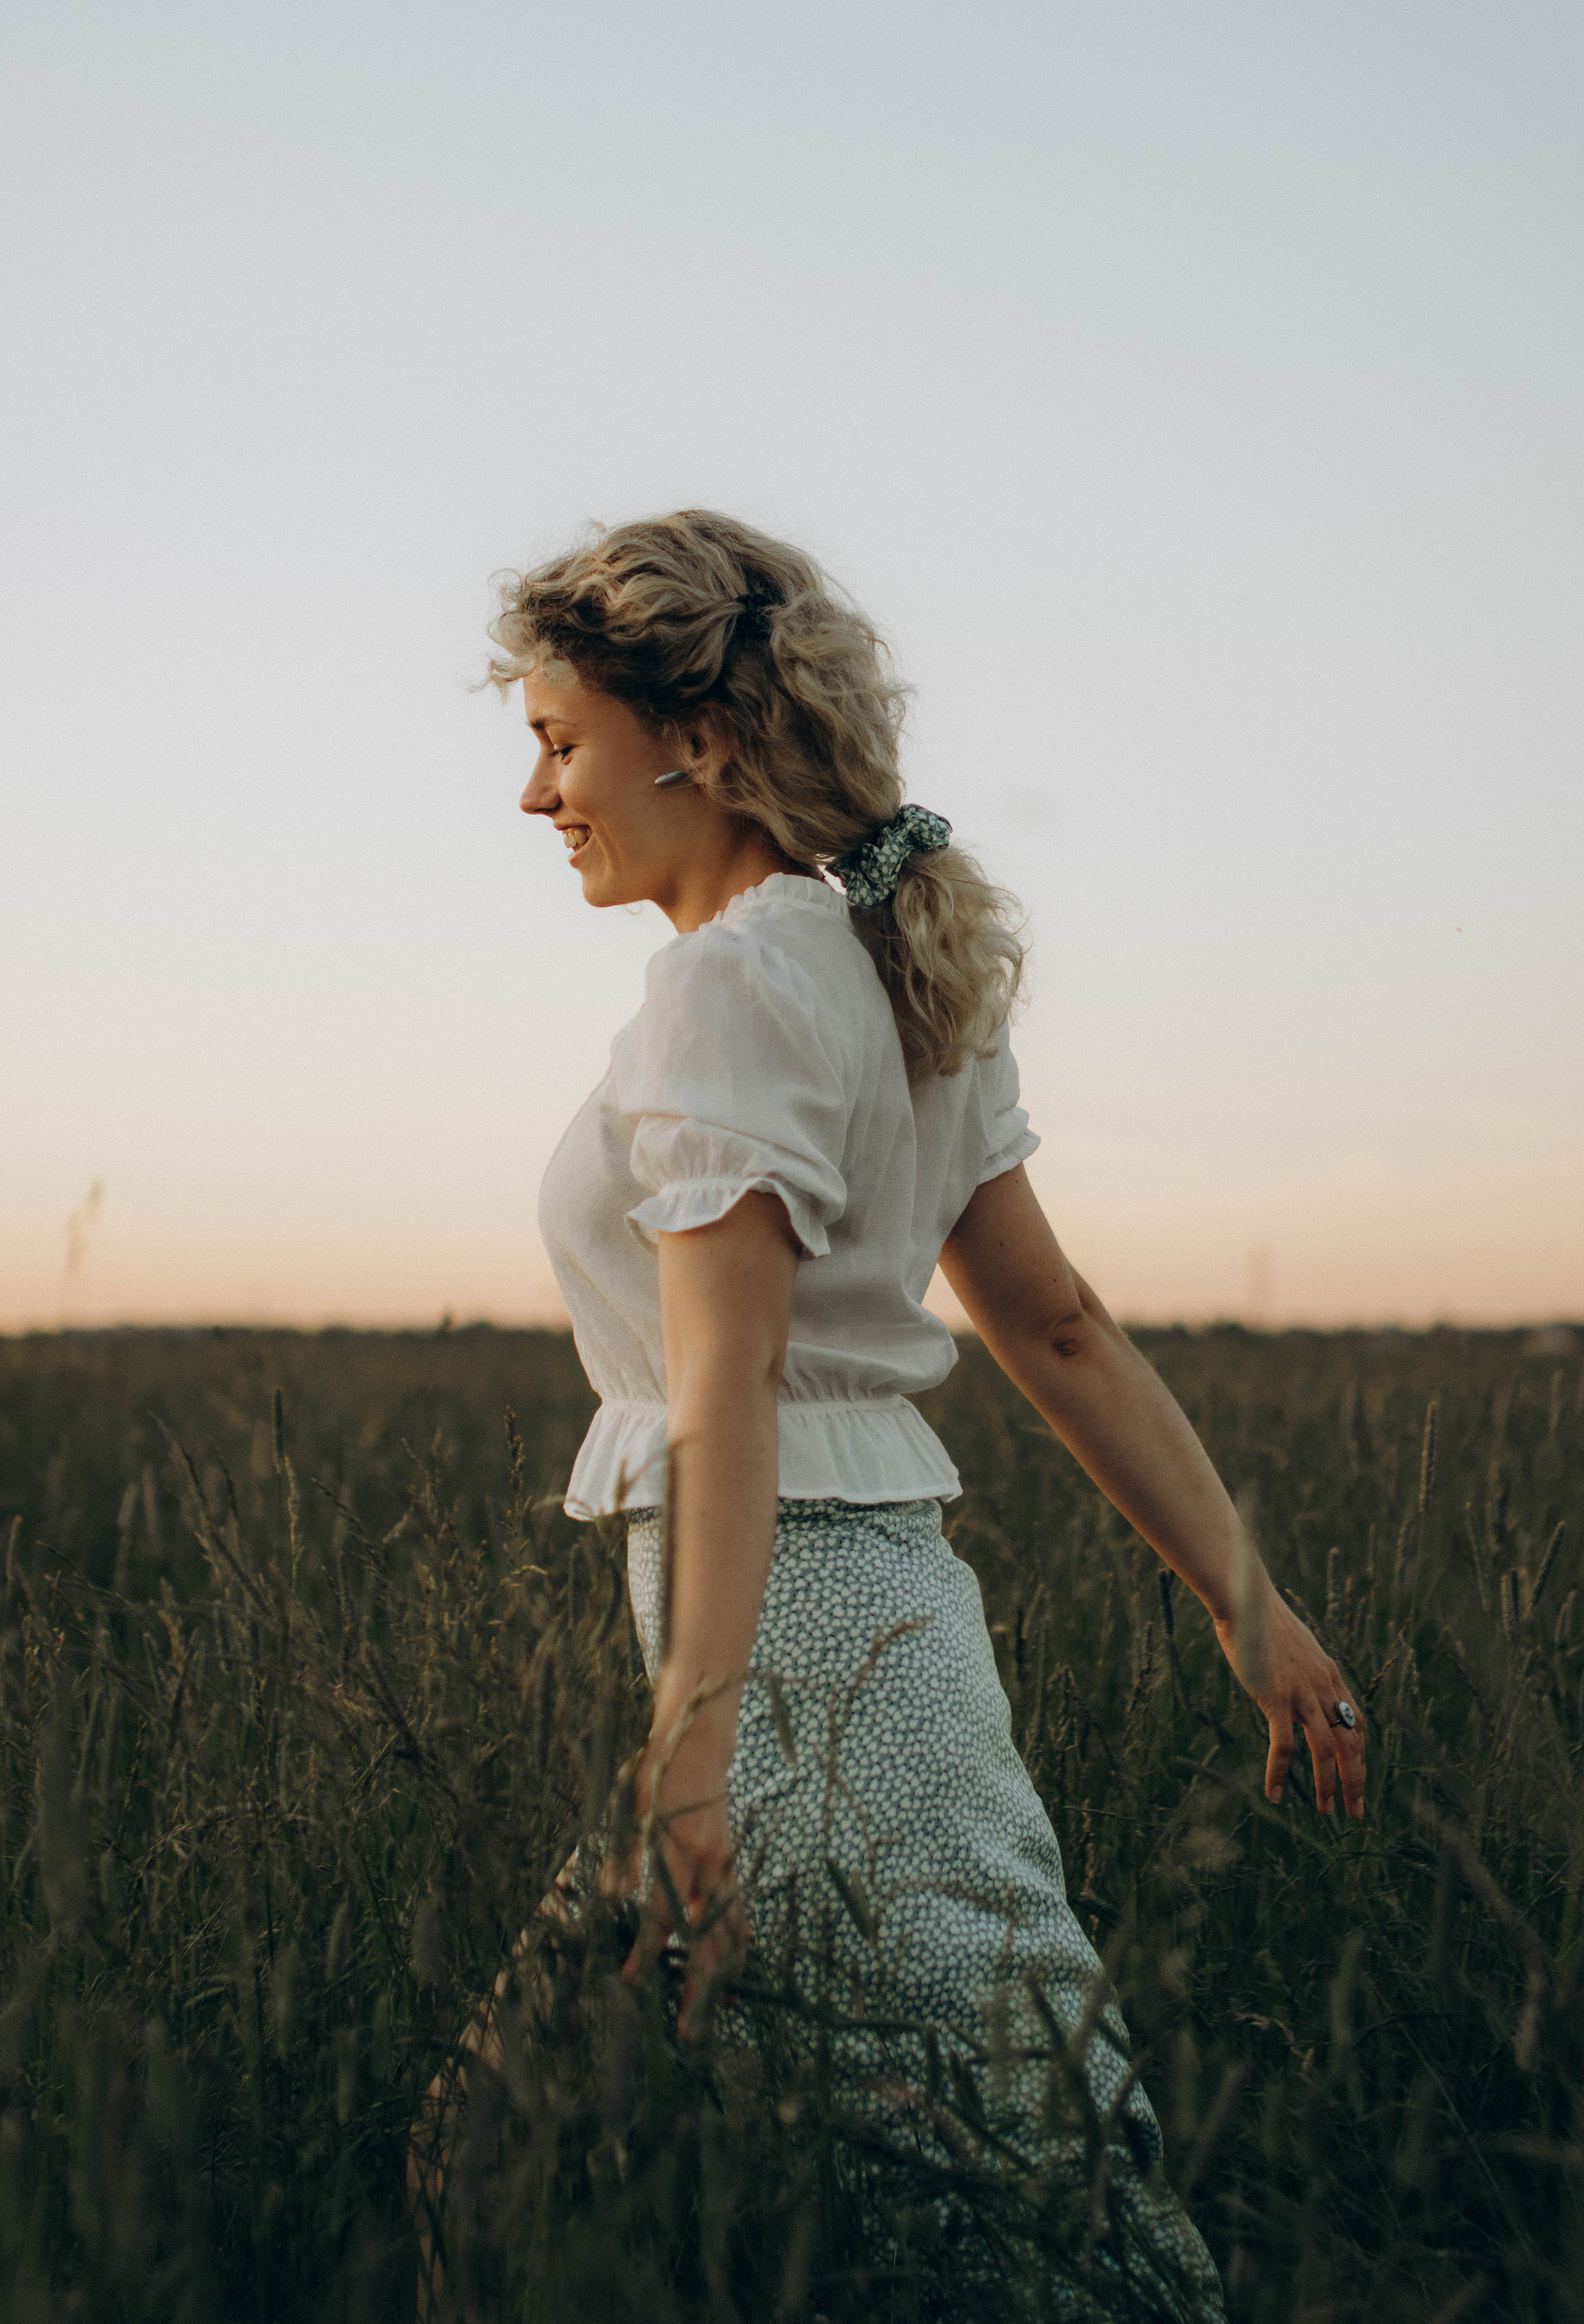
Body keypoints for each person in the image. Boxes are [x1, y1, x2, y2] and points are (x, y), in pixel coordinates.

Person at [422, 508, 1364, 2318]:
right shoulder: (883, 958)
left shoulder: (727, 985)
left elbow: (727, 1390)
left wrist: (692, 1754)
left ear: (694, 737)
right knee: (555, 2153)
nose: (535, 795)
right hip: (868, 1639)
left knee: (1002, 2203)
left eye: (558, 743)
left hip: (791, 1673)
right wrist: (1246, 1607)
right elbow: (1058, 1330)